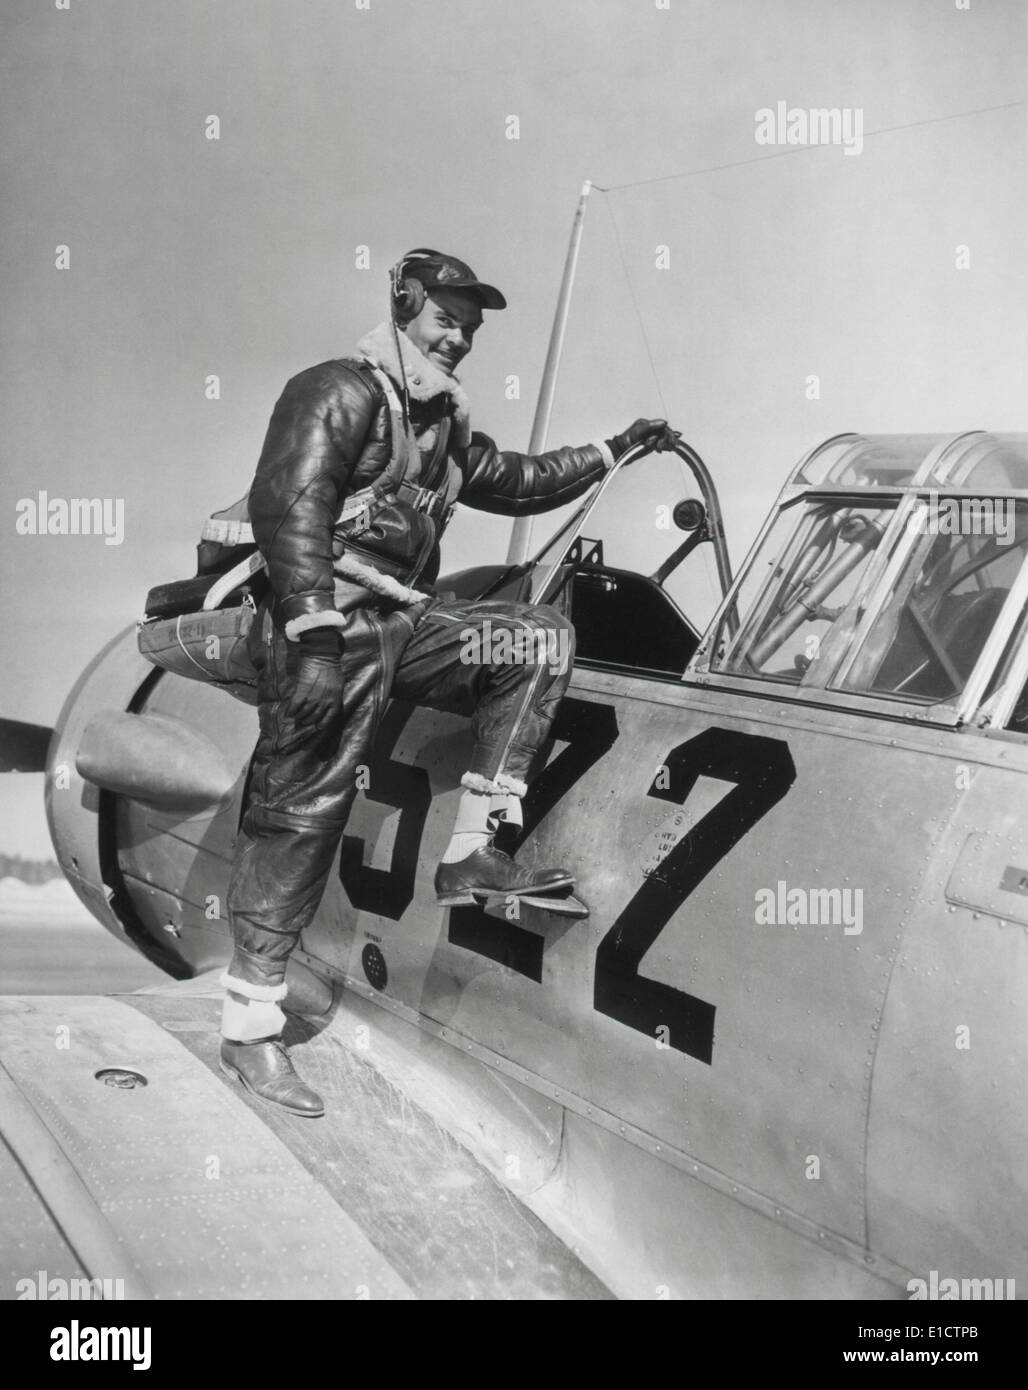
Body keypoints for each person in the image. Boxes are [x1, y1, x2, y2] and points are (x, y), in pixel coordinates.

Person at [219, 247, 679, 1116]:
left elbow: (518, 481)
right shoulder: (338, 390)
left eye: (470, 326)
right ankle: (249, 1029)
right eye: (446, 318)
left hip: (405, 621)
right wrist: (313, 639)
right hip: (327, 624)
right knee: (302, 816)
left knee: (534, 639)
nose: (460, 336)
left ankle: (474, 852)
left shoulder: (442, 426)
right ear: (404, 302)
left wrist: (613, 450)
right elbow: (291, 510)